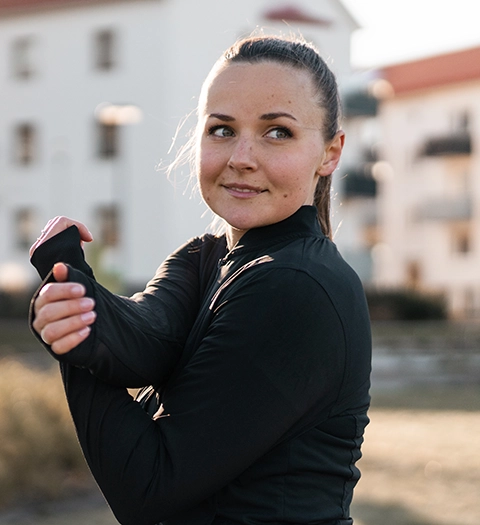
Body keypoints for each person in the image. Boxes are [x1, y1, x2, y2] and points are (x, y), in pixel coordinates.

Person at [29, 35, 371, 525]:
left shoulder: (295, 285)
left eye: (277, 132)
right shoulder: (207, 258)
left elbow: (148, 488)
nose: (241, 157)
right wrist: (67, 290)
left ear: (330, 152)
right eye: (222, 130)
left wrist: (71, 333)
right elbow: (142, 342)